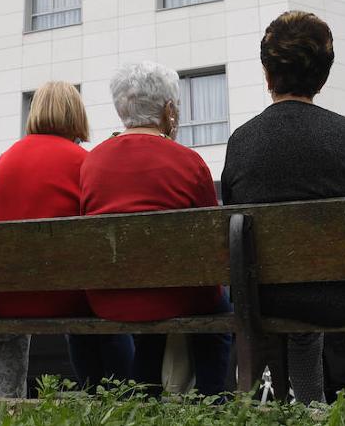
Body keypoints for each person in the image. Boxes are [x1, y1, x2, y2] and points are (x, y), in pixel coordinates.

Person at [220, 11, 345, 404]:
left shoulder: (241, 142)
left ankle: (308, 408)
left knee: (302, 324)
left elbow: (235, 226)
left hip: (273, 296)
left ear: (268, 76)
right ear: (323, 76)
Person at [78, 61, 232, 396]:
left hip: (109, 297)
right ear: (169, 110)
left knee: (152, 299)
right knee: (220, 307)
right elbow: (212, 243)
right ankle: (212, 401)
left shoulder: (92, 162)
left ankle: (145, 400)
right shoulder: (188, 161)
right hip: (174, 295)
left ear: (122, 108)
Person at [0, 81, 93, 398]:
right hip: (66, 296)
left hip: (8, 298)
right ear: (77, 114)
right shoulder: (84, 162)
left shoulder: (5, 161)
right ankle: (112, 396)